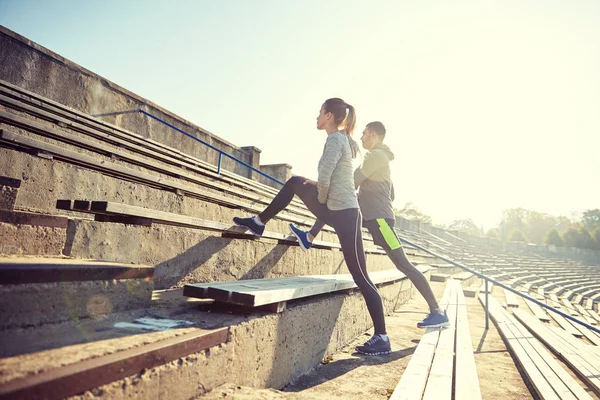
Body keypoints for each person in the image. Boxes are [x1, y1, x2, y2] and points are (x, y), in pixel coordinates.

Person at [233, 98, 391, 355]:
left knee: (361, 276)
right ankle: (259, 222)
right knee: (295, 182)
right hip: (339, 210)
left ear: (329, 116)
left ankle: (382, 336)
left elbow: (326, 179)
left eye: (319, 113)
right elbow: (328, 180)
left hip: (346, 214)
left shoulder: (335, 140)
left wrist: (319, 200)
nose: (316, 117)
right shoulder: (343, 140)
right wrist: (321, 197)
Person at [289, 121, 449, 329]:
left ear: (372, 134)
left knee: (403, 263)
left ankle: (437, 311)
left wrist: (322, 184)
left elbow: (353, 180)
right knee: (339, 207)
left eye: (364, 134)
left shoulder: (376, 156)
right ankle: (309, 237)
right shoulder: (380, 158)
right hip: (371, 215)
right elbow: (391, 192)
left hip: (380, 221)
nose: (362, 137)